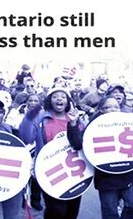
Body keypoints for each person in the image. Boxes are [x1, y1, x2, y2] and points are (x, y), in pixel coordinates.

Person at [68, 96, 133, 219]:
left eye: (116, 106)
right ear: (101, 110)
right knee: (110, 211)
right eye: (108, 107)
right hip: (106, 177)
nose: (113, 109)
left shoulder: (130, 122)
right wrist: (73, 124)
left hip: (128, 173)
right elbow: (77, 144)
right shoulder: (94, 127)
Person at [19, 87, 84, 219]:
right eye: (55, 97)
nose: (59, 99)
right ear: (49, 100)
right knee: (56, 210)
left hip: (75, 170)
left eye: (63, 96)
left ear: (68, 101)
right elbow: (27, 138)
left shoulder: (76, 117)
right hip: (50, 171)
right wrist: (28, 118)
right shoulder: (40, 117)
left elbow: (80, 144)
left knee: (72, 210)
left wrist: (74, 122)